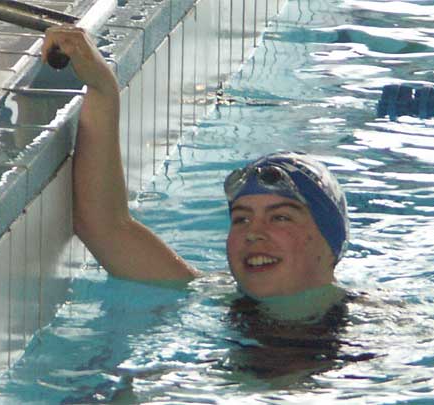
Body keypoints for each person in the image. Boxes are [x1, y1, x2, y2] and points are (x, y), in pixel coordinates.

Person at [42, 26, 350, 312]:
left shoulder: (371, 329)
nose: (253, 234)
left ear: (329, 240)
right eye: (241, 219)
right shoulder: (211, 294)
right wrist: (102, 85)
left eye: (280, 217)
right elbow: (105, 228)